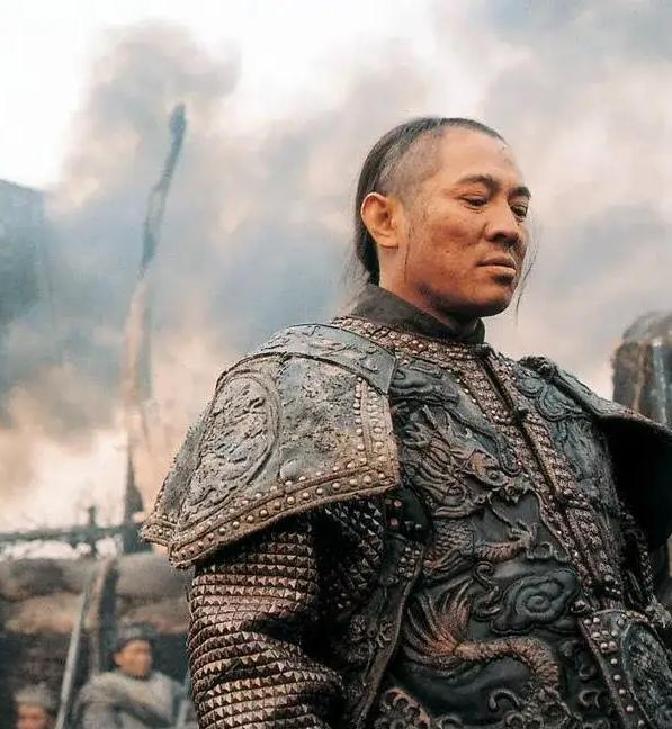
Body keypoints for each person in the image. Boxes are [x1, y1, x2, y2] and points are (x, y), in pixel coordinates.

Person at [143, 117, 672, 728]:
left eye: (519, 208)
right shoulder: (303, 387)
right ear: (385, 219)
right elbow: (253, 671)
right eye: (475, 199)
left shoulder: (564, 406)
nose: (508, 227)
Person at [75, 623, 185, 728]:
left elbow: (190, 717)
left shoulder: (168, 686)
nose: (143, 658)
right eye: (136, 652)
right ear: (118, 658)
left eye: (147, 652)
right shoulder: (102, 689)